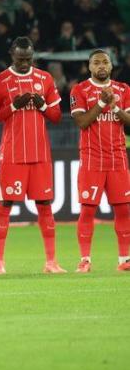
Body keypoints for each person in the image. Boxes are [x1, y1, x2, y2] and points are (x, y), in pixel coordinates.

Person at [0, 37, 66, 274]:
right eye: (20, 59)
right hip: (13, 153)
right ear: (12, 54)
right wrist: (13, 106)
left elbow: (56, 116)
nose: (24, 63)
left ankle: (51, 262)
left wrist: (42, 105)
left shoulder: (45, 78)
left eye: (28, 59)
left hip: (40, 153)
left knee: (44, 204)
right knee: (5, 203)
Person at [70, 49, 130, 272]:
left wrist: (115, 106)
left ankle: (124, 259)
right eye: (97, 63)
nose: (101, 66)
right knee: (88, 210)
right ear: (90, 67)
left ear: (111, 66)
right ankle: (85, 260)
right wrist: (103, 104)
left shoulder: (124, 90)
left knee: (124, 210)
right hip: (92, 159)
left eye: (105, 62)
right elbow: (83, 122)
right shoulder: (80, 90)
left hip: (118, 159)